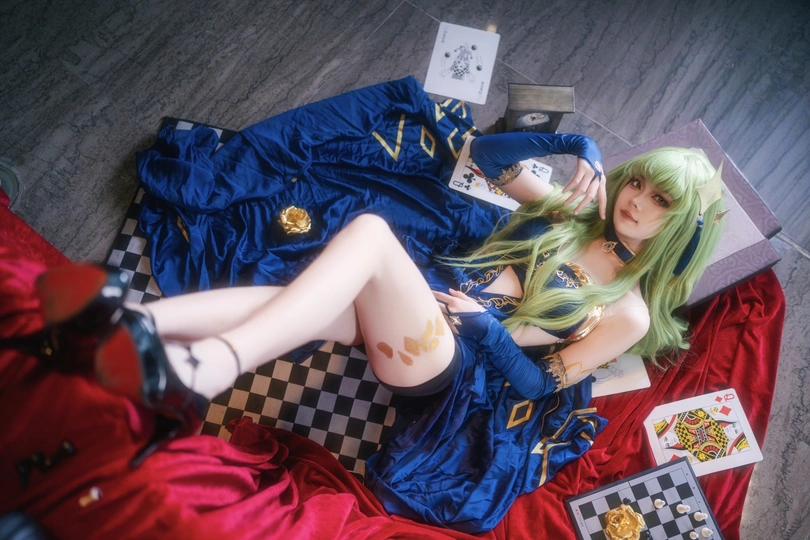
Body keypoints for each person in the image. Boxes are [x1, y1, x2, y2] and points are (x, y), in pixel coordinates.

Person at [25, 125, 725, 533]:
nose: (636, 200)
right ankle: (126, 322)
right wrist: (577, 143)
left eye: (659, 200)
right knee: (296, 302)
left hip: (456, 374)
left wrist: (484, 329)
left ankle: (206, 368)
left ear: (679, 229)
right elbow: (487, 154)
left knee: (368, 232)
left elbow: (541, 386)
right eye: (638, 182)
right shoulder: (574, 214)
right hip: (429, 309)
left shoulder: (629, 311)